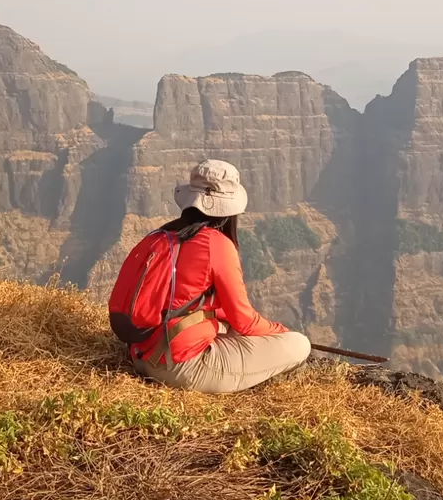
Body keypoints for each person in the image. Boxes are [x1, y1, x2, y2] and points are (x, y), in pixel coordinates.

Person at [117, 159, 311, 393]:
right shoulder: (216, 244)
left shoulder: (158, 236)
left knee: (225, 325)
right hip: (181, 368)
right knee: (300, 344)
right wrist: (280, 330)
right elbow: (244, 320)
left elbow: (179, 302)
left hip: (140, 354)